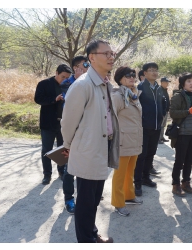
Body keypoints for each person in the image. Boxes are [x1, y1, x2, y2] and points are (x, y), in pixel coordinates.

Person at [61, 39, 118, 243]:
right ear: (92, 58)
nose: (111, 57)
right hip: (87, 151)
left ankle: (92, 234)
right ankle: (86, 241)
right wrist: (68, 146)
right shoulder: (83, 85)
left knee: (94, 200)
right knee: (85, 202)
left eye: (112, 53)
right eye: (106, 54)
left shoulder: (104, 84)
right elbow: (68, 122)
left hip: (101, 148)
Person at [111, 66, 144, 216]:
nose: (131, 77)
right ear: (119, 79)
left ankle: (129, 195)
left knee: (130, 171)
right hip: (123, 140)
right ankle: (118, 202)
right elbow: (111, 118)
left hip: (135, 139)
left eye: (133, 75)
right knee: (119, 174)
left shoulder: (134, 94)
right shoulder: (117, 96)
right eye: (127, 75)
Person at [59, 55, 90, 215]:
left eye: (88, 64)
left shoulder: (91, 81)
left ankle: (84, 196)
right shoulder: (67, 83)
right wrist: (78, 80)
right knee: (69, 169)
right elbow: (69, 103)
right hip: (73, 132)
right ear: (76, 67)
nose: (87, 67)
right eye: (84, 65)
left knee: (86, 168)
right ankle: (69, 199)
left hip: (88, 132)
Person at [34, 64, 72, 185]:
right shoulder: (44, 84)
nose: (65, 80)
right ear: (56, 73)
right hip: (48, 123)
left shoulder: (70, 86)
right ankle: (47, 175)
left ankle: (61, 172)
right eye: (63, 77)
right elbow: (38, 99)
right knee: (46, 150)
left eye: (67, 77)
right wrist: (54, 99)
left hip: (63, 124)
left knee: (62, 149)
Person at [169, 73, 192, 196]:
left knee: (189, 160)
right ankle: (176, 184)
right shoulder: (178, 96)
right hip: (182, 134)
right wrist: (187, 111)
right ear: (183, 84)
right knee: (179, 161)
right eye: (189, 81)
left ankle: (186, 182)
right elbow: (172, 113)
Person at [134, 62, 167, 196]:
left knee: (151, 153)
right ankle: (137, 182)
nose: (154, 72)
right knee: (141, 155)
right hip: (143, 127)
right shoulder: (140, 87)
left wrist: (162, 114)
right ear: (145, 73)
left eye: (156, 70)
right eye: (151, 70)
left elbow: (163, 103)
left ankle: (146, 177)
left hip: (156, 126)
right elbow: (135, 106)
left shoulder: (159, 88)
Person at [158, 77, 171, 144]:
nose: (167, 84)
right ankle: (158, 139)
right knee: (160, 125)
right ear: (162, 82)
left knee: (163, 125)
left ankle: (161, 137)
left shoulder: (165, 90)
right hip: (162, 111)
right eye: (166, 82)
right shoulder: (159, 90)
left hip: (166, 111)